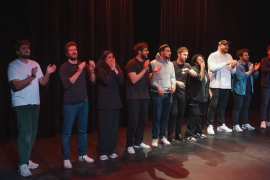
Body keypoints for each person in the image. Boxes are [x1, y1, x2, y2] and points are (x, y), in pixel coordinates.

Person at [8, 40, 56, 177]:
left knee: (33, 134)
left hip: (35, 103)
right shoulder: (13, 65)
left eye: (28, 47)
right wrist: (32, 77)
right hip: (21, 104)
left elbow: (43, 82)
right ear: (18, 51)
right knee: (25, 134)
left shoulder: (35, 64)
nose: (26, 50)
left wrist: (47, 73)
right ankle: (22, 165)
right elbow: (16, 86)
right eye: (23, 48)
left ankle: (26, 159)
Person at [59, 41, 95, 169]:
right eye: (71, 50)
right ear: (67, 53)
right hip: (70, 104)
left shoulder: (82, 65)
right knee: (67, 133)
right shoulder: (64, 67)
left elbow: (93, 81)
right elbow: (67, 84)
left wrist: (91, 71)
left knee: (83, 130)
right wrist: (79, 71)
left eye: (75, 49)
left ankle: (82, 154)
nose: (74, 52)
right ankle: (66, 158)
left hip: (83, 102)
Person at [125, 42, 161, 154]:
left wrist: (153, 72)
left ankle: (138, 142)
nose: (148, 52)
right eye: (145, 50)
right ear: (139, 51)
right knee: (133, 121)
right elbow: (133, 80)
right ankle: (129, 144)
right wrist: (145, 69)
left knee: (142, 120)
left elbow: (150, 82)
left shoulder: (147, 64)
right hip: (133, 97)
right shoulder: (131, 63)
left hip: (144, 96)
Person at [96, 51, 125, 160]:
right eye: (109, 57)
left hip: (115, 102)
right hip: (105, 102)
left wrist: (116, 71)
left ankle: (111, 150)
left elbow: (122, 81)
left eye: (113, 57)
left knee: (114, 128)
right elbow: (106, 81)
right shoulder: (100, 69)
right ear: (103, 59)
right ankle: (102, 151)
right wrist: (113, 71)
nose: (112, 59)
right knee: (105, 128)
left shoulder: (115, 69)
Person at [206, 40, 238, 135]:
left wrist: (233, 66)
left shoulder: (229, 56)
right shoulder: (213, 55)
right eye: (225, 45)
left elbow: (233, 72)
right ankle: (210, 125)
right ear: (219, 46)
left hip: (226, 84)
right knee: (213, 105)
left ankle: (221, 125)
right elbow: (212, 68)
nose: (227, 46)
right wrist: (226, 63)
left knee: (222, 106)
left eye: (228, 45)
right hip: (215, 84)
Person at [167, 47, 197, 142]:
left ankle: (178, 133)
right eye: (184, 54)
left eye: (187, 55)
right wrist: (177, 82)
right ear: (179, 54)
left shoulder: (187, 65)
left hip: (182, 94)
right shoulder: (172, 64)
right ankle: (170, 134)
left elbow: (195, 74)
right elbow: (167, 77)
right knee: (173, 113)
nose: (186, 57)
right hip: (173, 92)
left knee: (180, 114)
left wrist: (189, 71)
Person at [150, 44, 176, 147]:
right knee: (157, 116)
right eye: (168, 51)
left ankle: (162, 137)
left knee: (166, 116)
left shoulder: (171, 64)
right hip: (157, 94)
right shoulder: (153, 63)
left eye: (170, 51)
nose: (170, 53)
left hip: (168, 94)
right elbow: (150, 80)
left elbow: (173, 77)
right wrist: (157, 86)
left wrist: (173, 84)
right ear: (162, 52)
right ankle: (155, 138)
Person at [184, 54, 211, 141]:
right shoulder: (194, 69)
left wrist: (209, 91)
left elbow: (206, 82)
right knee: (194, 115)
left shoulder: (205, 71)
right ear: (195, 62)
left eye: (203, 59)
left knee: (201, 115)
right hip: (195, 97)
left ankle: (198, 132)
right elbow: (200, 78)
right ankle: (188, 135)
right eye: (200, 60)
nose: (202, 61)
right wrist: (202, 68)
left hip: (203, 96)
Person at [232, 49, 259, 132]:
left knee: (245, 108)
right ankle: (235, 125)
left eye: (248, 55)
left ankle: (245, 124)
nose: (248, 56)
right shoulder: (237, 65)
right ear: (240, 57)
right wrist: (249, 71)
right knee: (237, 108)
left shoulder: (250, 64)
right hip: (239, 89)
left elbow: (255, 76)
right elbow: (238, 76)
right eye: (245, 55)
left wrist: (255, 71)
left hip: (248, 89)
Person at [260, 45, 270, 128]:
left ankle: (268, 120)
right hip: (266, 85)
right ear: (268, 51)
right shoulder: (264, 60)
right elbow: (264, 70)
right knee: (265, 103)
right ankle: (263, 121)